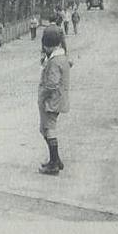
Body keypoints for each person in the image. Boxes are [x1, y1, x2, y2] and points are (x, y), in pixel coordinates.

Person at [37, 25, 71, 175]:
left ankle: (54, 163)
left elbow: (51, 84)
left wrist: (42, 96)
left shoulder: (54, 61)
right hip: (57, 99)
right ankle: (56, 159)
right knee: (44, 129)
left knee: (48, 130)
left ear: (48, 44)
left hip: (51, 101)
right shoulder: (61, 57)